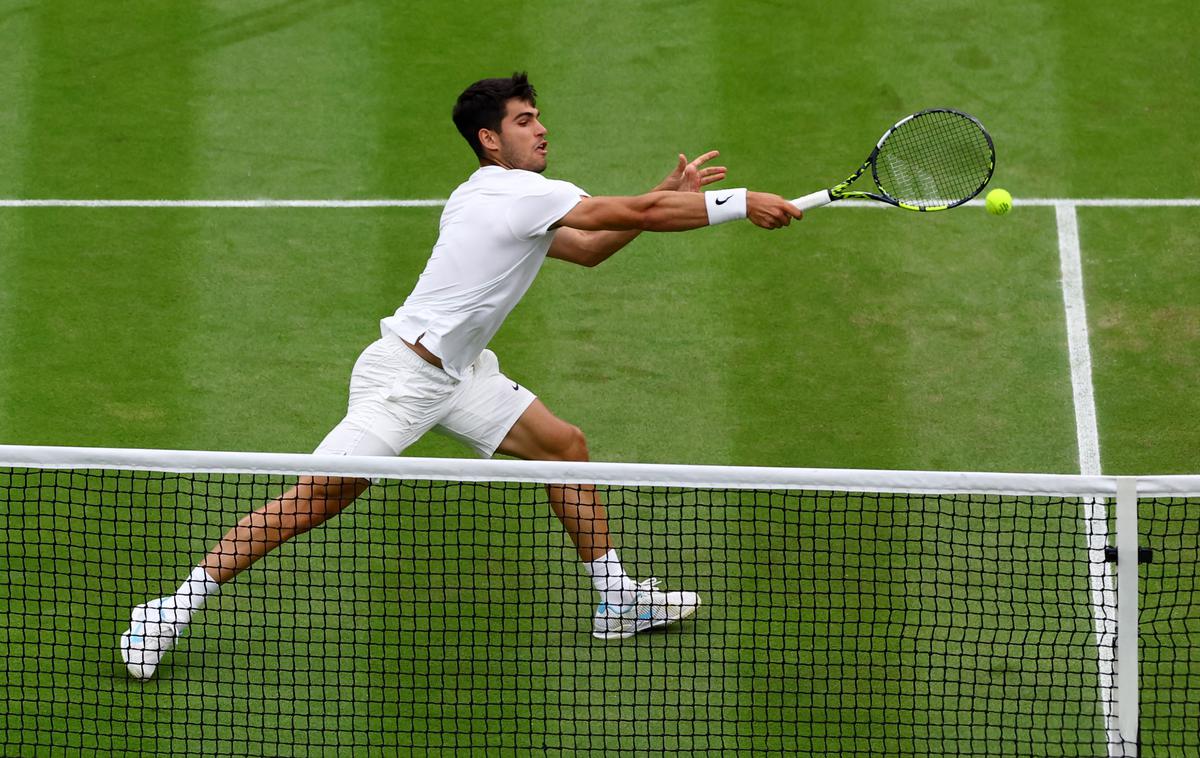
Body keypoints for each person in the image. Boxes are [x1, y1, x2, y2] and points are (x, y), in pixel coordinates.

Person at [120, 72, 803, 679]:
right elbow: (629, 218)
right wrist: (742, 202)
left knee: (563, 448)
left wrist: (661, 196)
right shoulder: (516, 195)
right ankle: (169, 608)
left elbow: (591, 248)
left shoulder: (499, 197)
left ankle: (617, 599)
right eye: (523, 121)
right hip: (403, 380)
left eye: (538, 117)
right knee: (319, 497)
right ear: (490, 138)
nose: (541, 130)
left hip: (460, 374)